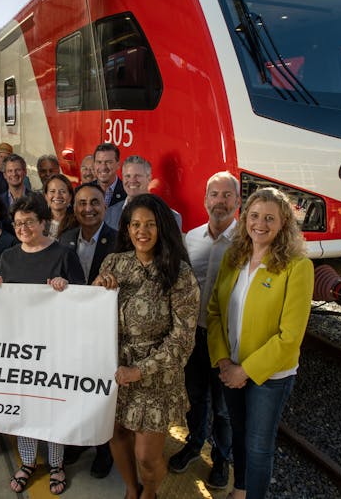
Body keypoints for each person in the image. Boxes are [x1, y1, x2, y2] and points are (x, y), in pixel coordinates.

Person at [206, 188, 313, 499]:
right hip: (231, 367)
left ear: (283, 225)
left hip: (270, 377)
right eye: (254, 216)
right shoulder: (234, 256)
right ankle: (240, 489)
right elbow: (214, 311)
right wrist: (225, 362)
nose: (260, 224)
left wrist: (245, 371)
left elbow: (290, 336)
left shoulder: (297, 266)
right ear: (245, 219)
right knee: (239, 435)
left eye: (270, 218)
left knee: (258, 446)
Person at [93, 193, 198, 499]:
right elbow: (90, 314)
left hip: (156, 377)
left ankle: (149, 490)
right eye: (135, 224)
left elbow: (182, 340)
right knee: (117, 434)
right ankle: (130, 488)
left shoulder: (180, 274)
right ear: (126, 229)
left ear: (162, 228)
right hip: (114, 370)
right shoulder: (114, 263)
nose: (142, 231)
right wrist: (97, 289)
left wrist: (139, 371)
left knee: (147, 457)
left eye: (150, 224)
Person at [0, 194, 86, 495]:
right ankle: (28, 461)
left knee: (52, 404)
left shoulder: (63, 254)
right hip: (19, 348)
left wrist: (66, 289)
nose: (23, 227)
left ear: (44, 222)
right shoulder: (8, 257)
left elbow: (83, 298)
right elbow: (0, 302)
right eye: (17, 223)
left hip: (55, 346)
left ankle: (56, 463)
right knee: (24, 405)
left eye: (29, 221)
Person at [170, 172, 240, 489]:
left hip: (227, 342)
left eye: (227, 196)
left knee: (224, 408)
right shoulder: (191, 238)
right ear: (205, 200)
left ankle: (222, 459)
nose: (220, 201)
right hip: (195, 336)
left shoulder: (246, 244)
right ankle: (195, 445)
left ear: (237, 202)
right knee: (195, 397)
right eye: (215, 195)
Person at [56, 183, 118, 478]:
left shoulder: (119, 241)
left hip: (106, 332)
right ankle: (80, 440)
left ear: (104, 207)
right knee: (75, 388)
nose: (88, 208)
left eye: (94, 202)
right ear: (74, 207)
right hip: (71, 331)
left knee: (103, 392)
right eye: (81, 203)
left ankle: (105, 449)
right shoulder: (65, 239)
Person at [105, 155, 181, 231]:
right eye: (127, 176)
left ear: (149, 178)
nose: (132, 181)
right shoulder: (108, 214)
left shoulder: (170, 217)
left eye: (137, 176)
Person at [86, 143, 126, 208]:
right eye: (99, 162)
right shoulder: (84, 191)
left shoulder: (127, 193)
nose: (103, 167)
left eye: (108, 162)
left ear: (118, 164)